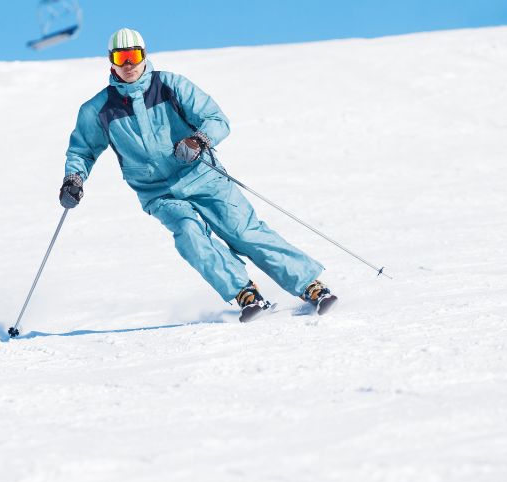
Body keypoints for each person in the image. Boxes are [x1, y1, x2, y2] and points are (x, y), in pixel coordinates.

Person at [59, 28, 337, 322]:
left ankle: (310, 285)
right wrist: (73, 180)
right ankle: (244, 292)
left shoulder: (170, 85)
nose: (129, 64)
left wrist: (199, 140)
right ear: (111, 61)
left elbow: (217, 119)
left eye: (134, 55)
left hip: (203, 176)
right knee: (189, 234)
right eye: (121, 57)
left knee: (243, 231)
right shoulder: (98, 110)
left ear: (144, 55)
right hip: (158, 192)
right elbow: (82, 150)